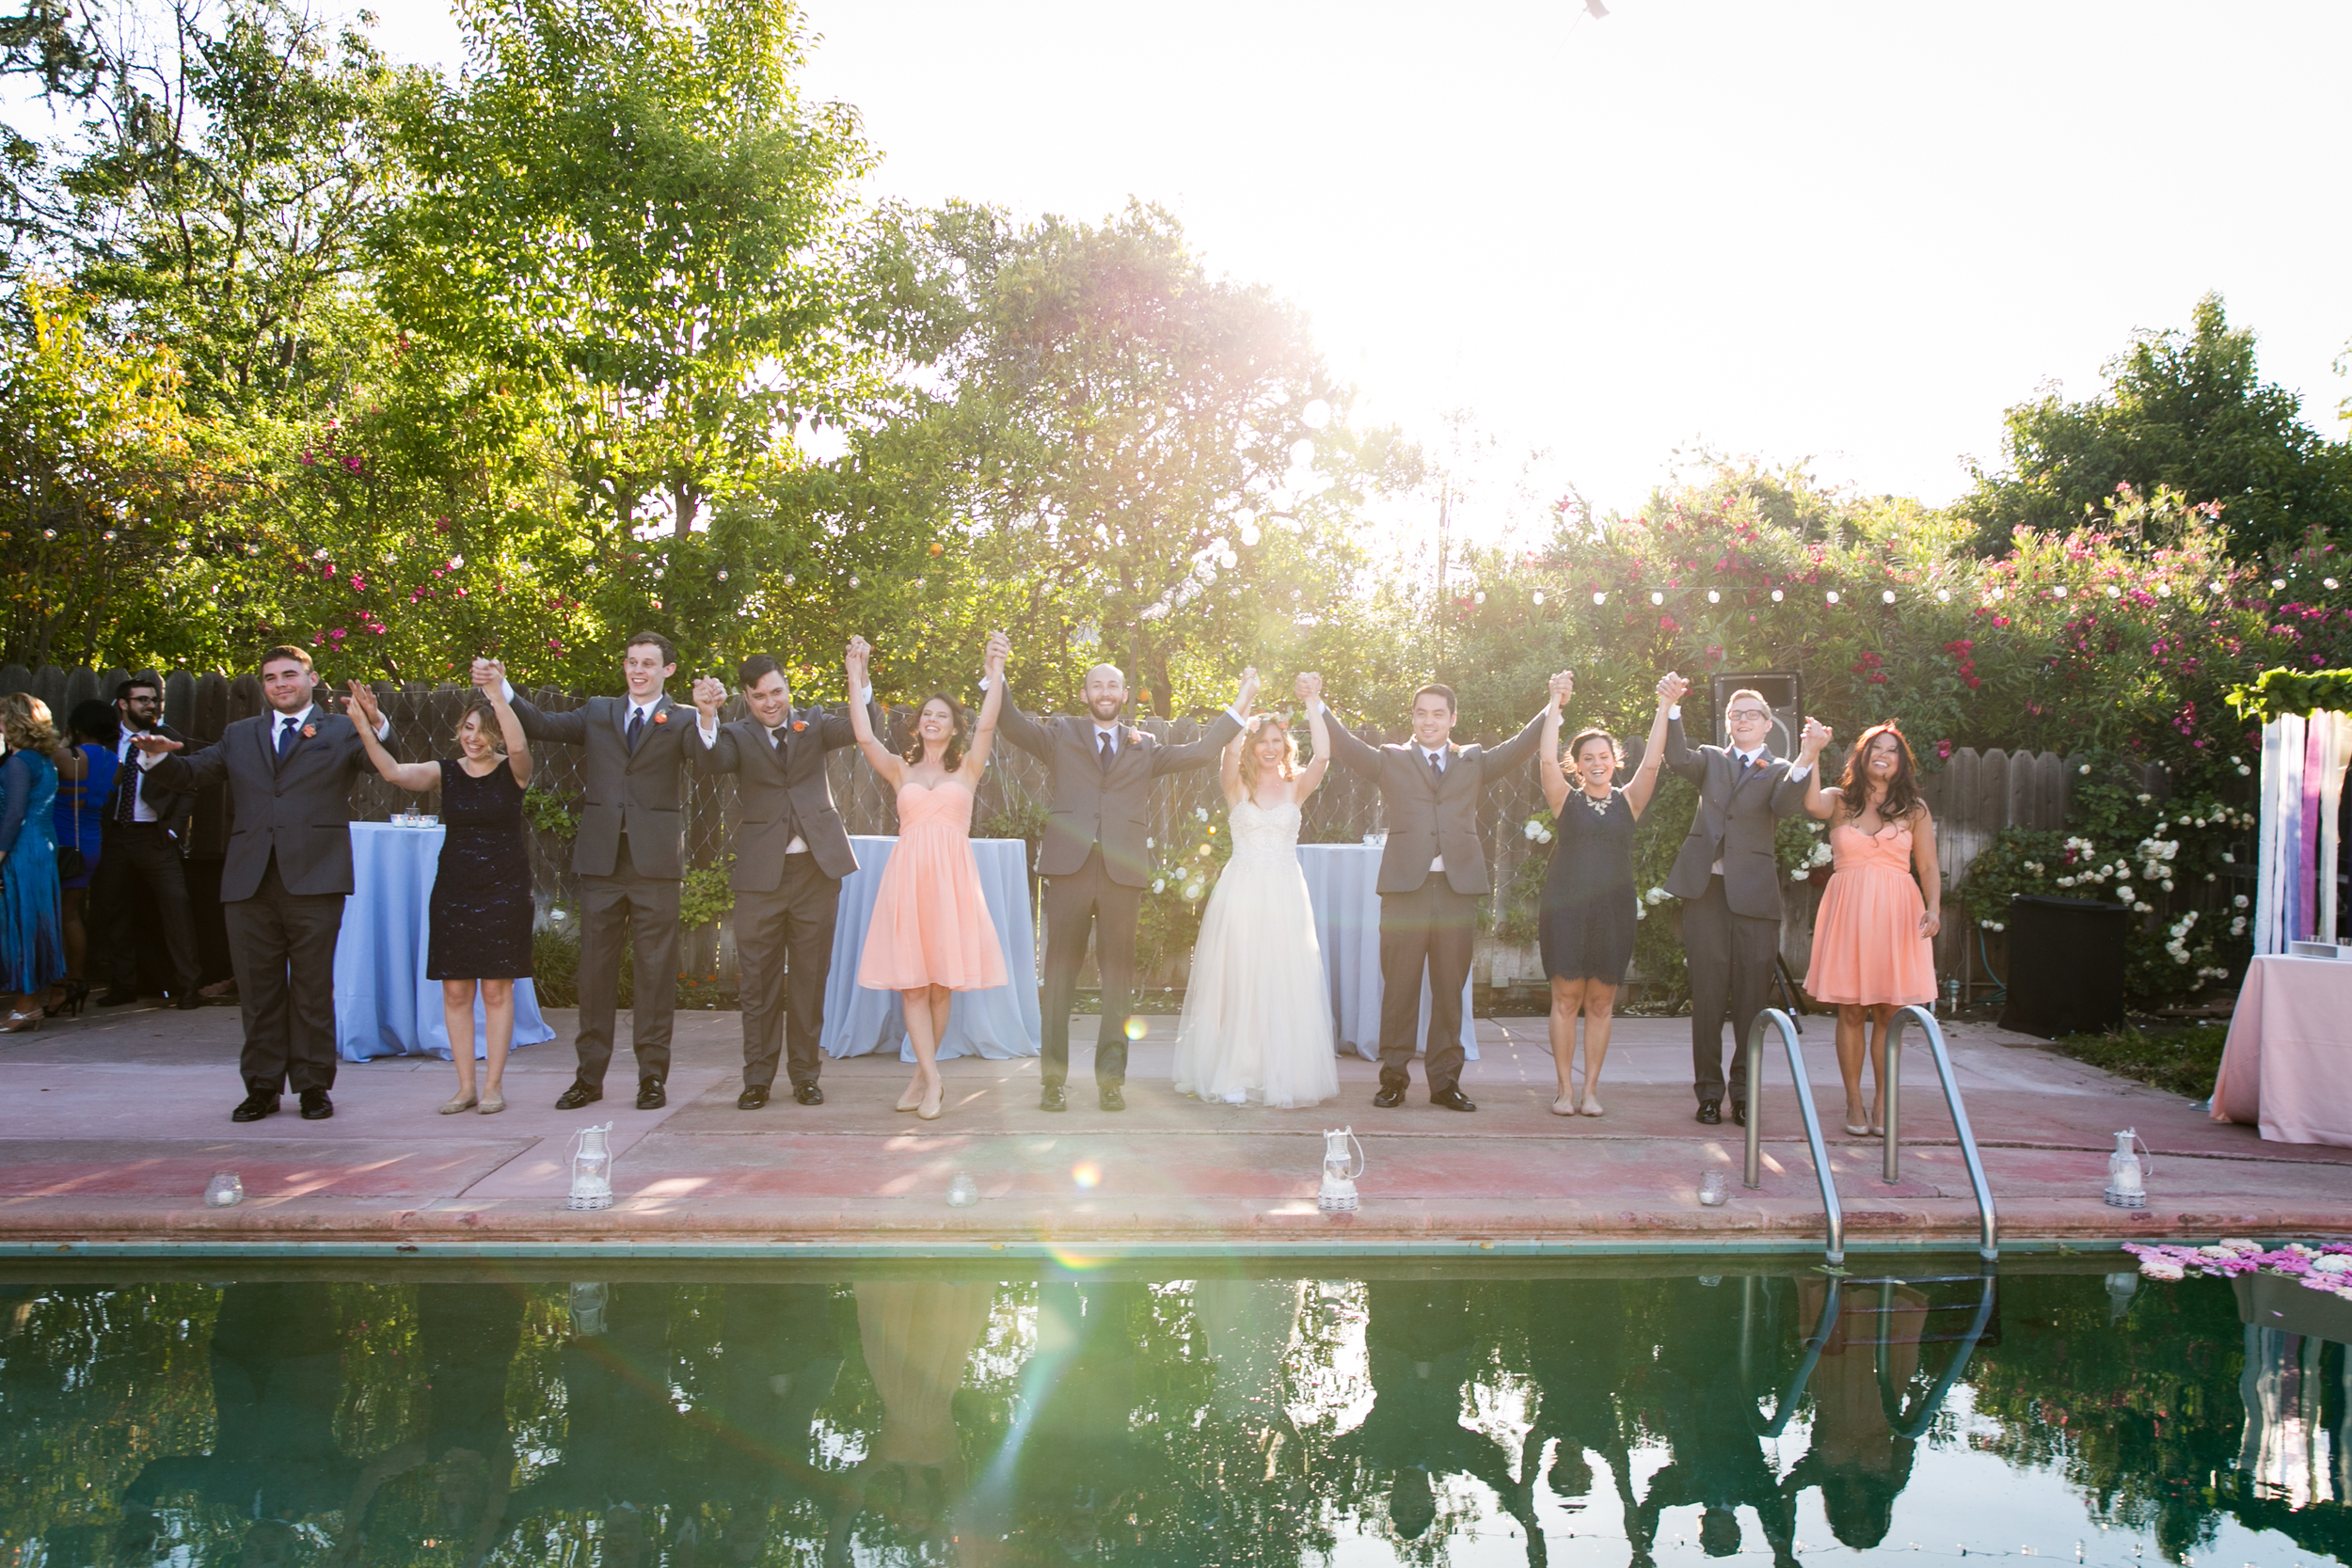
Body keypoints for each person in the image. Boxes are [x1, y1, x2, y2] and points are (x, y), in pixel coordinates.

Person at [133, 643, 389, 1120]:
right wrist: (156, 758)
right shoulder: (240, 734)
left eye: (289, 674)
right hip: (249, 882)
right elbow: (190, 774)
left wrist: (375, 727)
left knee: (313, 990)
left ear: (312, 679)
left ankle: (314, 1086)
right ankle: (262, 1087)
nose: (280, 684)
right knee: (258, 991)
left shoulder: (340, 729)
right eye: (270, 678)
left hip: (315, 878)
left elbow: (379, 763)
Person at [995, 646, 1252, 1113]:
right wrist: (996, 675)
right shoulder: (1061, 734)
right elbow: (1011, 725)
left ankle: (1110, 1081)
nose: (1105, 692)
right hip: (1068, 868)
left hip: (1122, 872)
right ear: (1084, 693)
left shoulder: (1145, 746)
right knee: (1058, 978)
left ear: (1125, 694)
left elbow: (1200, 752)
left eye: (1113, 685)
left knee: (1117, 979)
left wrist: (1242, 700)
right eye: (1097, 685)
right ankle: (1052, 1082)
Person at [1302, 670, 1568, 1112]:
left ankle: (1446, 1084)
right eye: (1422, 713)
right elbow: (1346, 746)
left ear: (1452, 719)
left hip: (1455, 890)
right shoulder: (1389, 759)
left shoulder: (1474, 760)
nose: (1429, 721)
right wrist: (1317, 702)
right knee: (1400, 989)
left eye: (1438, 714)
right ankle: (1393, 1080)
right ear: (1412, 718)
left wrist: (1554, 702)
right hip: (1405, 890)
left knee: (1450, 990)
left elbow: (1522, 744)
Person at [484, 633, 696, 1113]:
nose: (637, 670)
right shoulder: (599, 711)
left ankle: (651, 1079)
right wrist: (503, 689)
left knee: (655, 975)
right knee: (595, 975)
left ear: (668, 670)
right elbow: (540, 722)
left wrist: (708, 715)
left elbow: (708, 759)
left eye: (647, 663)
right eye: (630, 661)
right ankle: (588, 1078)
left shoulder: (682, 719)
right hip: (602, 863)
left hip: (656, 866)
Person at [688, 651, 882, 1111]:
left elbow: (864, 725)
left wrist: (859, 675)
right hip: (760, 879)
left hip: (816, 871)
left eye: (776, 692)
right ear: (747, 698)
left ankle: (805, 1077)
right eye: (759, 696)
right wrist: (706, 713)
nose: (770, 702)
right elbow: (711, 760)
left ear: (787, 688)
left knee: (810, 980)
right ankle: (757, 1079)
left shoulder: (813, 724)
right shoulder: (734, 735)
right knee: (757, 982)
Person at [346, 674, 536, 1116]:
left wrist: (495, 696)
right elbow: (393, 773)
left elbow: (521, 744)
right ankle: (465, 1086)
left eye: (484, 730)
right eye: (468, 728)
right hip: (453, 887)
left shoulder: (515, 771)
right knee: (454, 991)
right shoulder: (444, 773)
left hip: (504, 887)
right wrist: (364, 728)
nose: (475, 738)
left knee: (496, 989)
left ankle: (493, 1086)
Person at [844, 633, 1009, 1121]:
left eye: (942, 714)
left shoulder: (970, 768)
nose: (932, 720)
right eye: (926, 714)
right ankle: (934, 1080)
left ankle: (921, 1075)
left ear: (954, 726)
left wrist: (995, 670)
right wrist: (856, 677)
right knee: (913, 986)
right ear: (918, 725)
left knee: (940, 988)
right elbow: (863, 736)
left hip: (953, 883)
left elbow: (991, 722)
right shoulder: (900, 769)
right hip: (910, 880)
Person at [1660, 676, 1821, 1127]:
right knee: (1708, 999)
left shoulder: (1779, 768)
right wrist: (1672, 708)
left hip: (1754, 899)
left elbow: (1789, 805)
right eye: (1735, 714)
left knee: (1751, 1001)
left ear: (1769, 725)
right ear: (1727, 723)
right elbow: (1674, 757)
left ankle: (1744, 1094)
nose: (1743, 719)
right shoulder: (1711, 759)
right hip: (1706, 894)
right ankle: (1709, 1094)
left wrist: (1808, 756)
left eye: (1752, 714)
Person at [1169, 703, 1340, 1108]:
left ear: (1285, 745)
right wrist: (1243, 706)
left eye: (1277, 741)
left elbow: (1325, 755)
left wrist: (1314, 704)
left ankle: (1275, 1071)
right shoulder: (1237, 785)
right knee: (1238, 980)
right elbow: (1228, 753)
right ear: (1251, 744)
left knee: (1280, 980)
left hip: (1283, 895)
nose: (1269, 748)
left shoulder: (1297, 785)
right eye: (1262, 740)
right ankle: (1234, 1070)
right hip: (1242, 893)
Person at [1534, 674, 1674, 1117]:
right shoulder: (1564, 801)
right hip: (1566, 910)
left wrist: (1663, 705)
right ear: (1576, 765)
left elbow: (1652, 763)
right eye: (1587, 758)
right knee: (1566, 999)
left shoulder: (1629, 801)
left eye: (1604, 756)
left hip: (1612, 912)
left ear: (1615, 761)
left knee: (1600, 1002)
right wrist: (1556, 702)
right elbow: (1544, 760)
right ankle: (1564, 1091)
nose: (1597, 763)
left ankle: (1591, 1090)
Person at [1799, 721, 1941, 1135]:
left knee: (1888, 1011)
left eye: (1892, 750)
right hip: (1849, 913)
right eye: (1874, 748)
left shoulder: (1915, 809)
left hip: (1898, 915)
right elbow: (1810, 803)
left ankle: (1883, 1100)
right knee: (1851, 1011)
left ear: (1901, 762)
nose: (1883, 754)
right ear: (1861, 757)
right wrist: (1814, 751)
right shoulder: (1840, 801)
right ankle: (1854, 1102)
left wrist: (1934, 908)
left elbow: (1928, 866)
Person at [90, 673, 200, 1010]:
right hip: (113, 835)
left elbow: (189, 787)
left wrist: (173, 830)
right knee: (112, 908)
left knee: (176, 906)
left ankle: (189, 985)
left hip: (154, 835)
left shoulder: (169, 739)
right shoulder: (107, 741)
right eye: (142, 700)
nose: (150, 705)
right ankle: (123, 983)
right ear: (123, 704)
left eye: (154, 700)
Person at [0, 694, 79, 1031]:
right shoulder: (43, 759)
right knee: (32, 923)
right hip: (41, 846)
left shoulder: (19, 762)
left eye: (2, 716)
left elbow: (14, 813)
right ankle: (29, 1004)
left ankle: (27, 1006)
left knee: (22, 925)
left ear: (15, 722)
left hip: (22, 849)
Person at [45, 698, 118, 1018]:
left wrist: (62, 741)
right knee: (72, 914)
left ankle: (61, 984)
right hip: (90, 843)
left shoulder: (65, 756)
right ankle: (76, 980)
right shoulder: (116, 762)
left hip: (61, 844)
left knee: (54, 916)